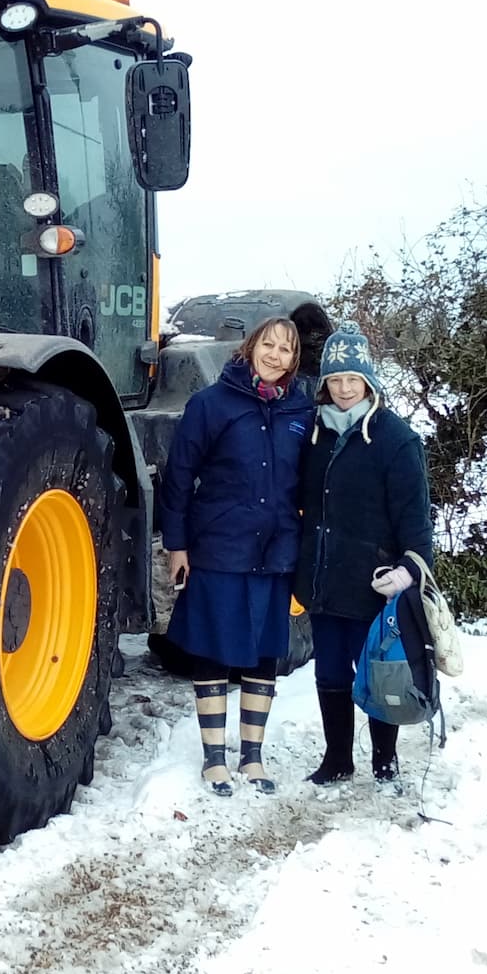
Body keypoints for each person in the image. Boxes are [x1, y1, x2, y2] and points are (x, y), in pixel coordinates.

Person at [157, 317, 313, 796]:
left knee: (264, 654)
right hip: (220, 548)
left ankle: (252, 758)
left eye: (286, 350)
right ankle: (214, 760)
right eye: (268, 344)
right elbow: (179, 475)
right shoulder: (211, 405)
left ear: (294, 360)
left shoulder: (302, 411)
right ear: (250, 348)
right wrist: (176, 544)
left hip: (276, 552)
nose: (276, 355)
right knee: (214, 649)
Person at [293, 323, 433, 785]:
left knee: (378, 673)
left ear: (369, 382)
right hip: (323, 580)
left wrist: (409, 571)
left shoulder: (397, 440)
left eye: (353, 379)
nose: (345, 388)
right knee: (330, 672)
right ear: (325, 385)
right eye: (335, 380)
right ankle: (337, 759)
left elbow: (416, 520)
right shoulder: (313, 437)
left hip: (375, 585)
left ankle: (384, 759)